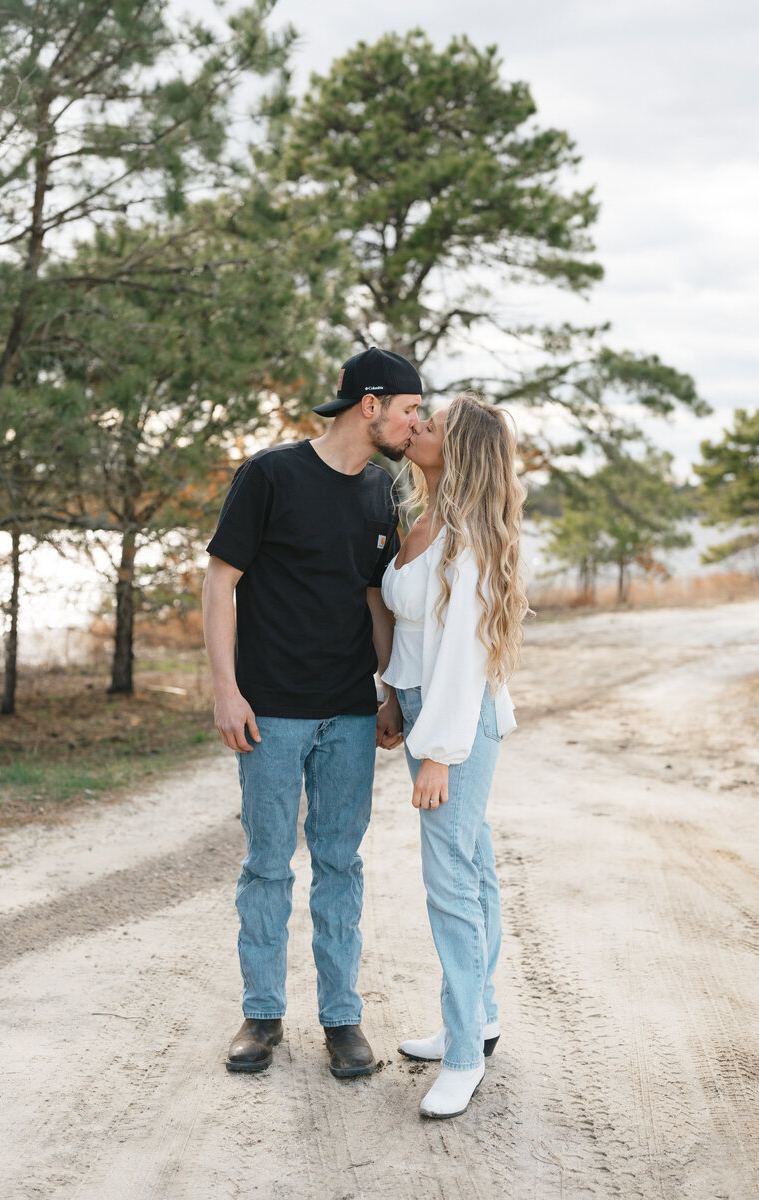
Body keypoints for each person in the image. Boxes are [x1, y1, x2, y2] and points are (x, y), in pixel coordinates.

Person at [202, 346, 420, 1078]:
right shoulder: (270, 475)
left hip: (350, 715)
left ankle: (341, 1019)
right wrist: (225, 690)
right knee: (267, 865)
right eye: (409, 409)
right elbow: (219, 580)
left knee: (340, 864)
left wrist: (388, 688)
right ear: (371, 406)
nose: (413, 423)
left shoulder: (382, 490)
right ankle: (262, 1015)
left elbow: (372, 596)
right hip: (271, 713)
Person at [380, 393, 528, 1118]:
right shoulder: (422, 516)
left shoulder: (466, 537)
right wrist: (390, 698)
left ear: (458, 447)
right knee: (473, 868)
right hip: (420, 712)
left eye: (431, 424)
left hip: (455, 725)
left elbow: (466, 657)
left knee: (451, 883)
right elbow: (413, 635)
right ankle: (483, 1013)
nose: (418, 427)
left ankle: (465, 1053)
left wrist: (436, 752)